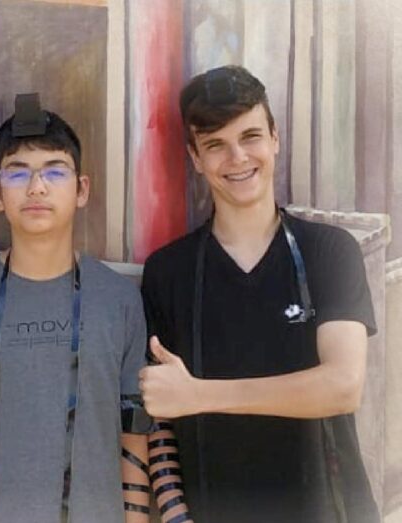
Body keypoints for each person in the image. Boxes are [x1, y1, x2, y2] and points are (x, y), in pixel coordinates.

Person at [0, 94, 191, 523]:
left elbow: (133, 437)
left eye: (54, 171)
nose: (37, 187)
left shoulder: (119, 300)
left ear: (81, 189)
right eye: (18, 173)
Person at [139, 65, 380, 523]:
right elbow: (159, 415)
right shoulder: (168, 272)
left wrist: (201, 395)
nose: (238, 158)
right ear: (195, 157)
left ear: (274, 138)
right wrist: (174, 514)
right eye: (215, 144)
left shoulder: (328, 251)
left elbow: (342, 387)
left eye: (250, 136)